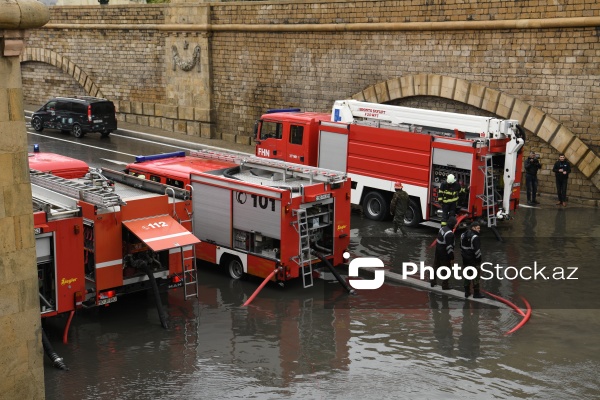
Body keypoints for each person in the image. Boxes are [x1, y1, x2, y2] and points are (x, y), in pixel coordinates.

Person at [431, 216, 456, 290]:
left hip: (438, 251)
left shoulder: (442, 228)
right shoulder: (450, 234)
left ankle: (433, 281)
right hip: (444, 253)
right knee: (446, 269)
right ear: (453, 225)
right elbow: (449, 248)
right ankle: (445, 285)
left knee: (435, 266)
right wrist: (452, 258)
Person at [460, 221, 484, 299]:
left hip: (465, 260)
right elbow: (477, 251)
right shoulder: (475, 237)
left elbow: (461, 247)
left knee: (467, 276)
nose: (479, 230)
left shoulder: (463, 235)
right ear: (473, 228)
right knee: (476, 276)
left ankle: (467, 292)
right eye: (478, 228)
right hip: (473, 260)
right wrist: (479, 260)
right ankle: (476, 293)